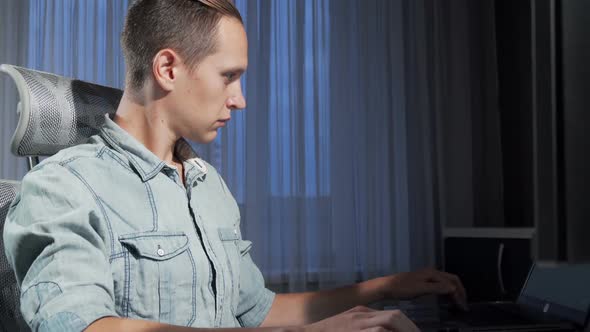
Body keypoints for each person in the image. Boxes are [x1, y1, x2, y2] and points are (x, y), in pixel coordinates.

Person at [3, 1, 467, 331]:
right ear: (168, 68)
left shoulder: (208, 186)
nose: (239, 100)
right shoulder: (62, 186)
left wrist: (386, 287)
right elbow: (83, 325)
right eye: (229, 76)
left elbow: (258, 311)